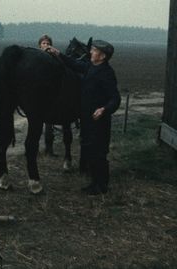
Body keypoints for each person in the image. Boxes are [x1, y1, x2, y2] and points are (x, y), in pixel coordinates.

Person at [48, 40, 121, 195]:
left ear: (102, 56)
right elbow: (74, 64)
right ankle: (94, 183)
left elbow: (115, 98)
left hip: (99, 122)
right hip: (87, 120)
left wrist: (104, 109)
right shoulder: (90, 67)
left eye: (94, 50)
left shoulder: (107, 73)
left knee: (99, 153)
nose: (90, 52)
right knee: (89, 151)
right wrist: (58, 53)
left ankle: (102, 186)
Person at [38, 34, 58, 156]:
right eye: (43, 43)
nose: (45, 45)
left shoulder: (53, 58)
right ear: (40, 45)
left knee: (49, 124)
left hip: (49, 95)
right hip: (38, 94)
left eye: (47, 43)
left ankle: (49, 148)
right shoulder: (35, 57)